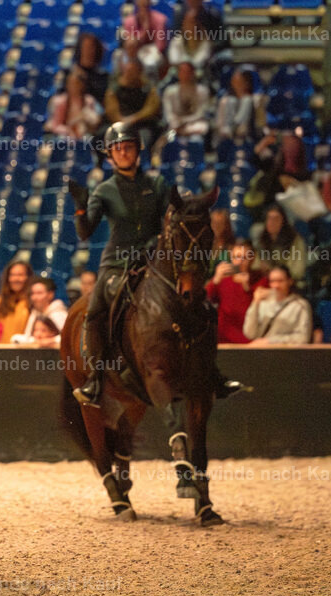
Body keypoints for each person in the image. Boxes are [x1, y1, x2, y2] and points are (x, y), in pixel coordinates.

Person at [71, 122, 242, 404]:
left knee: (202, 306)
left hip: (156, 258)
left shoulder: (158, 184)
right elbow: (85, 231)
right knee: (96, 308)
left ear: (138, 150)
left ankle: (213, 373)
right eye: (117, 148)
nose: (123, 152)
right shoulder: (104, 190)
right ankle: (97, 378)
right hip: (117, 262)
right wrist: (80, 206)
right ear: (110, 155)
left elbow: (172, 217)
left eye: (128, 147)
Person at [206, 240, 266, 343]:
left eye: (244, 258)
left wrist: (247, 288)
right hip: (224, 338)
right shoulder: (223, 280)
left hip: (251, 339)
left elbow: (264, 309)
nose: (240, 261)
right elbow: (205, 300)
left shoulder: (260, 279)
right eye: (236, 257)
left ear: (252, 259)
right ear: (231, 258)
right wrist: (215, 280)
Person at [242, 265, 312, 345]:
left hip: (286, 353)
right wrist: (255, 303)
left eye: (280, 281)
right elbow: (250, 333)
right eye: (272, 281)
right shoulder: (264, 303)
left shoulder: (300, 305)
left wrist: (270, 341)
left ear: (290, 281)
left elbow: (303, 338)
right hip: (262, 353)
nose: (276, 285)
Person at [103, 60, 162, 152]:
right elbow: (112, 111)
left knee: (144, 138)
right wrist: (122, 122)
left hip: (142, 125)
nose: (129, 74)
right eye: (127, 71)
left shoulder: (148, 88)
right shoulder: (114, 90)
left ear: (139, 72)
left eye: (133, 71)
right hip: (119, 124)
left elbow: (151, 108)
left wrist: (133, 119)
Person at [254, 204, 307, 287]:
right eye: (269, 218)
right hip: (266, 283)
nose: (272, 222)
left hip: (289, 285)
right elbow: (255, 266)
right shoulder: (261, 241)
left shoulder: (295, 240)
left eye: (276, 218)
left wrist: (272, 271)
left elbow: (297, 271)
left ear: (283, 221)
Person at [214, 67, 266, 144]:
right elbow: (219, 123)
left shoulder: (255, 99)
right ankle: (233, 129)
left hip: (248, 133)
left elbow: (261, 123)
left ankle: (235, 128)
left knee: (247, 100)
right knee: (231, 101)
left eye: (242, 81)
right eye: (236, 80)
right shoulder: (225, 100)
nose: (239, 84)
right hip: (228, 134)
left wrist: (257, 103)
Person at [160, 61, 210, 139]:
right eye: (182, 71)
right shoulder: (169, 91)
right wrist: (174, 122)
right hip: (175, 125)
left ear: (193, 73)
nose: (185, 75)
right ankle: (167, 145)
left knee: (199, 133)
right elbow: (168, 112)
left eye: (188, 72)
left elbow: (201, 113)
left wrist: (184, 120)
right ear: (178, 73)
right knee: (170, 138)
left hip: (195, 124)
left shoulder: (202, 91)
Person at [45, 73, 103, 140]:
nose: (75, 86)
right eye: (72, 83)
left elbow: (96, 121)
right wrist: (68, 130)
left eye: (78, 83)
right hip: (65, 136)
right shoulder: (61, 102)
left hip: (85, 135)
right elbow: (56, 126)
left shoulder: (89, 101)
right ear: (67, 84)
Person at [12, 277, 69, 344]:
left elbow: (68, 337)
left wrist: (52, 340)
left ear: (50, 295)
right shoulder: (34, 313)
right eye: (32, 293)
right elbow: (28, 337)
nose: (34, 297)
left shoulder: (59, 314)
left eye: (39, 293)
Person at [0, 259, 33, 342]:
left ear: (28, 277)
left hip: (25, 350)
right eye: (12, 275)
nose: (16, 279)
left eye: (20, 275)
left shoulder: (33, 301)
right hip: (1, 350)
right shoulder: (0, 301)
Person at [71, 33, 109, 105]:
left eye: (92, 47)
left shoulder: (104, 77)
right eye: (85, 47)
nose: (89, 51)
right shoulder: (69, 74)